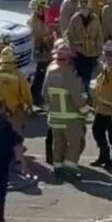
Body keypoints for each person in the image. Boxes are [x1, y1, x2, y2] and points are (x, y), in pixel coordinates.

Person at [44, 42, 92, 178]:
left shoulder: (50, 74)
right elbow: (78, 99)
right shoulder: (70, 76)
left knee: (58, 143)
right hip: (70, 118)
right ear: (69, 59)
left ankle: (57, 167)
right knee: (75, 143)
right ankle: (69, 168)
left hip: (54, 118)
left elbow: (44, 95)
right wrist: (87, 112)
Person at [0, 45, 34, 179]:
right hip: (15, 111)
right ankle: (17, 161)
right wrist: (30, 106)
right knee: (17, 136)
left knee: (0, 136)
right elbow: (26, 93)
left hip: (0, 111)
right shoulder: (18, 75)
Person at [91, 41, 112, 171]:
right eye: (106, 53)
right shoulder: (107, 68)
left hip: (111, 109)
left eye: (111, 54)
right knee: (97, 131)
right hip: (102, 108)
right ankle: (104, 156)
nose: (108, 56)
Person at [65, 0, 104, 93]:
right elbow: (69, 35)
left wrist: (99, 50)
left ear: (89, 9)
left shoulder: (95, 19)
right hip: (79, 52)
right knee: (80, 74)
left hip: (92, 52)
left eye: (86, 9)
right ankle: (80, 92)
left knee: (88, 74)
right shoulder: (74, 19)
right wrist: (72, 48)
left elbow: (99, 35)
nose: (84, 11)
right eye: (82, 9)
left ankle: (86, 91)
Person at [28, 0, 54, 106]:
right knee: (39, 77)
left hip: (45, 54)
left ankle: (38, 96)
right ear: (38, 8)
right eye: (44, 9)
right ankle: (35, 97)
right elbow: (37, 39)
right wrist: (45, 41)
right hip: (39, 55)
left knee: (42, 76)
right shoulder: (34, 22)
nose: (46, 11)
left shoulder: (41, 19)